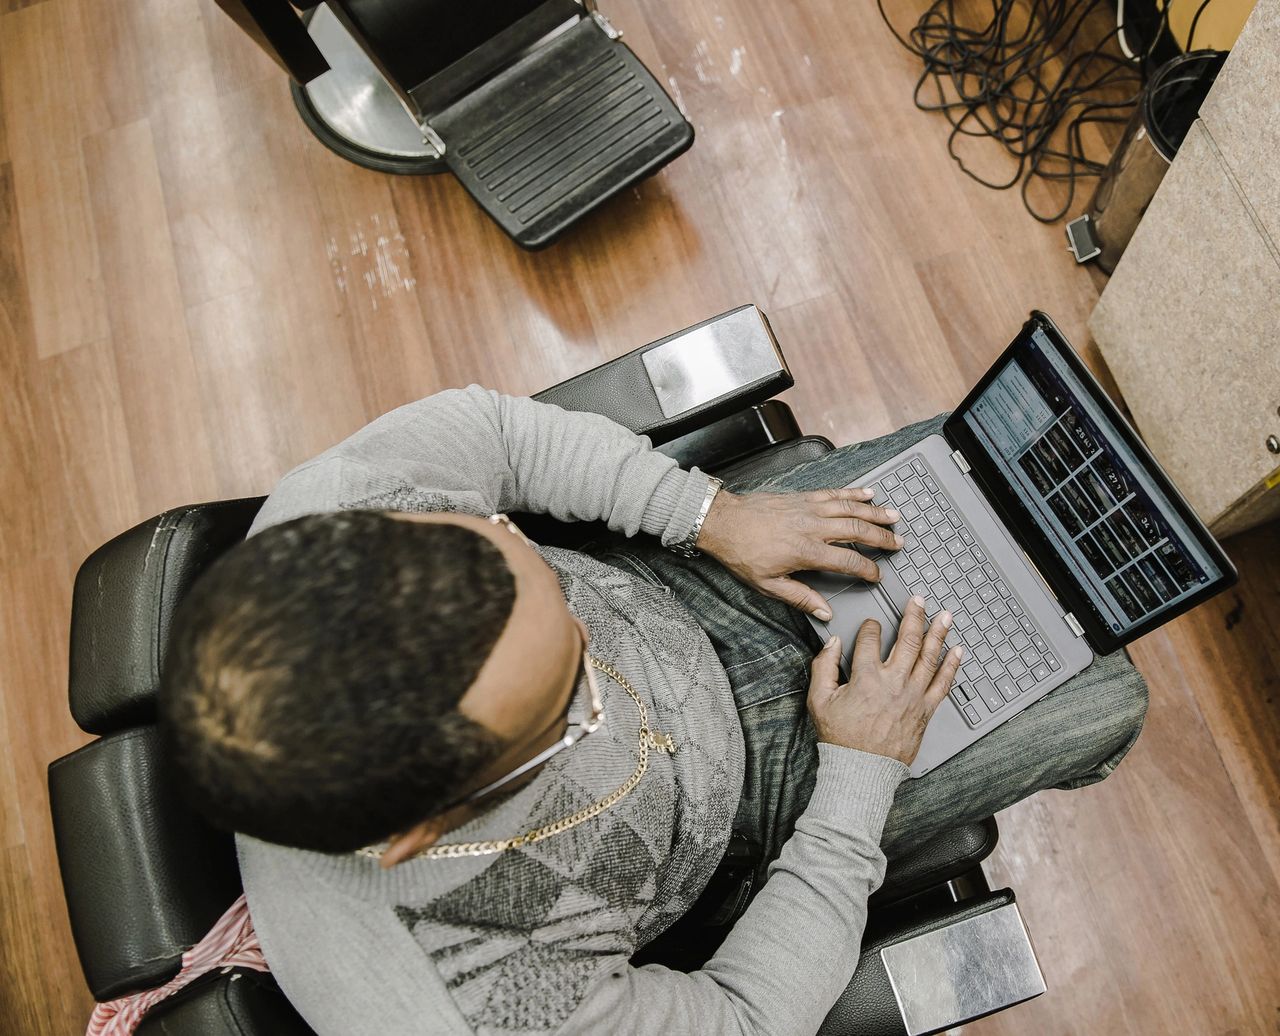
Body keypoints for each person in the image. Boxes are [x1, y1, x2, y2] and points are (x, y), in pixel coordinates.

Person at [159, 387, 1147, 1035]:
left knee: (1015, 467)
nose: (598, 659)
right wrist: (856, 771)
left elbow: (505, 436)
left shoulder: (340, 510)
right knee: (1106, 694)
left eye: (521, 558)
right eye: (570, 696)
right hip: (758, 807)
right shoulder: (493, 993)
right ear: (423, 830)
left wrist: (714, 518)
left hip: (691, 576)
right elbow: (748, 1017)